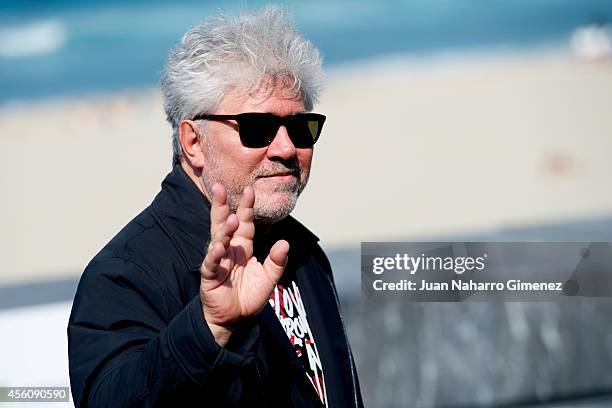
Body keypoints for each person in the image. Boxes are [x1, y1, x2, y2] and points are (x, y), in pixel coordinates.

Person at [67, 6, 363, 407]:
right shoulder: (124, 275)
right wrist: (209, 330)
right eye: (257, 128)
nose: (286, 148)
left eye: (300, 127)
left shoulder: (301, 251)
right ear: (193, 142)